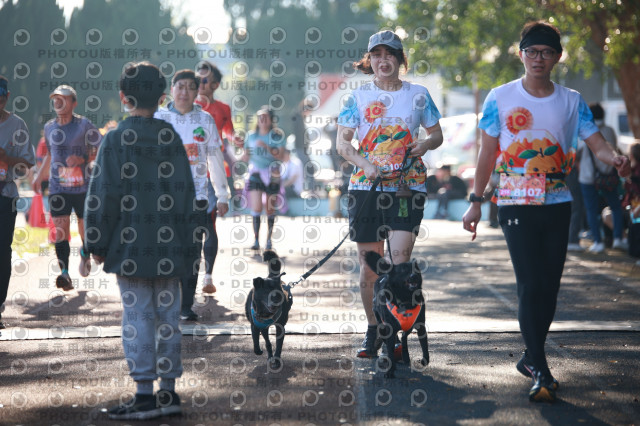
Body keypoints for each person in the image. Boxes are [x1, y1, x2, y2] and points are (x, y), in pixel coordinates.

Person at [462, 21, 630, 403]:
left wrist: (615, 159)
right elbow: (487, 153)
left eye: (547, 52)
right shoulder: (500, 97)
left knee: (549, 286)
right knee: (530, 283)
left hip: (557, 200)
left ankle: (530, 356)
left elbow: (596, 142)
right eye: (532, 51)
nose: (539, 58)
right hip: (515, 199)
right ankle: (539, 365)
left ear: (557, 57)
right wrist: (475, 201)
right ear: (521, 54)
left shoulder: (571, 100)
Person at [84, 62, 199, 420]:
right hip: (170, 248)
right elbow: (186, 194)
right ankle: (169, 392)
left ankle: (144, 396)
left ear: (124, 97)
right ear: (163, 97)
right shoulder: (170, 137)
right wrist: (190, 246)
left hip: (129, 246)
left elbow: (103, 195)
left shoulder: (115, 140)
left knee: (138, 317)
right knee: (168, 318)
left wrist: (95, 242)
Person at [336, 30, 443, 358]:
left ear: (400, 59)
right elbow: (342, 144)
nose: (383, 61)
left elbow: (436, 134)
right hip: (366, 188)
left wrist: (425, 143)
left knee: (399, 265)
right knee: (370, 268)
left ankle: (397, 336)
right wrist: (364, 163)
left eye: (390, 54)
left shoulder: (419, 94)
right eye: (377, 55)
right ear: (369, 60)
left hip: (406, 188)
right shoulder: (357, 97)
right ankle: (374, 330)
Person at [155, 69, 229, 320]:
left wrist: (222, 195)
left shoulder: (205, 120)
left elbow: (215, 159)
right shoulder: (159, 118)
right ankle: (166, 302)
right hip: (165, 199)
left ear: (197, 92)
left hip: (197, 198)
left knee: (192, 252)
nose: (184, 92)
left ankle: (186, 306)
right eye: (180, 86)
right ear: (172, 89)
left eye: (190, 87)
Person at [32, 85, 101, 291]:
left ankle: (85, 252)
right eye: (55, 99)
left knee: (84, 227)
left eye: (63, 99)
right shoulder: (49, 127)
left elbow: (101, 147)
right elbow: (50, 154)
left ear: (74, 103)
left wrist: (83, 158)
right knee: (60, 230)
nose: (58, 102)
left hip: (82, 187)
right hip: (58, 187)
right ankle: (64, 273)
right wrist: (38, 176)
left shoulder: (84, 125)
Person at [195, 61, 242, 291]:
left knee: (208, 224)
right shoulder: (188, 107)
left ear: (214, 84)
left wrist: (236, 138)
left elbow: (228, 131)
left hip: (213, 173)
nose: (200, 84)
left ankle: (208, 276)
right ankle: (186, 278)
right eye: (197, 79)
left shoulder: (222, 109)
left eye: (204, 80)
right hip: (190, 175)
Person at [0, 75, 35, 332]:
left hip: (6, 195)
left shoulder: (17, 125)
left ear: (7, 97)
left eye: (1, 99)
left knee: (3, 251)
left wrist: (7, 158)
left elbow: (26, 164)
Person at [578, 102, 626, 253]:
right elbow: (614, 149)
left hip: (587, 176)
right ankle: (618, 238)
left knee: (591, 210)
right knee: (615, 207)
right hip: (607, 176)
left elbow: (578, 151)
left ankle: (597, 241)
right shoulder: (609, 131)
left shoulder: (584, 131)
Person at [242, 106, 287, 250]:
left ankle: (268, 240)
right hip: (255, 173)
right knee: (256, 207)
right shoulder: (251, 136)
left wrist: (266, 147)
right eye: (260, 117)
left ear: (271, 119)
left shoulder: (277, 136)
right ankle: (256, 240)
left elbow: (281, 156)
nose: (262, 120)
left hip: (273, 173)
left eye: (265, 117)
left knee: (269, 208)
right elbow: (245, 155)